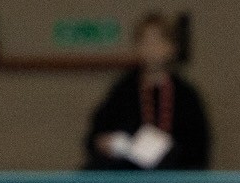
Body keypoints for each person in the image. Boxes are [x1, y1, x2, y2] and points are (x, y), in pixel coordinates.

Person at [83, 12, 211, 170]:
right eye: (145, 42)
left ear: (171, 47)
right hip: (129, 176)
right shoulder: (122, 91)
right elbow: (96, 136)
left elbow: (198, 149)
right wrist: (105, 143)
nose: (151, 48)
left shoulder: (186, 96)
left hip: (174, 177)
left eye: (157, 41)